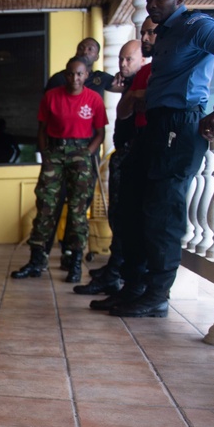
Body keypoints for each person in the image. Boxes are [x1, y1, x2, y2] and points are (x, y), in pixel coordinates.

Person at [107, 0, 214, 318]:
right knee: (131, 206)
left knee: (162, 213)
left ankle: (157, 294)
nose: (153, 5)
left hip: (181, 126)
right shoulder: (166, 34)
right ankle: (134, 287)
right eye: (150, 0)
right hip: (156, 127)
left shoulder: (197, 25)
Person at [11, 57, 107, 283]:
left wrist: (88, 152)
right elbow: (42, 130)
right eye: (71, 74)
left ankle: (74, 262)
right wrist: (45, 155)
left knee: (77, 209)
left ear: (86, 76)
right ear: (65, 75)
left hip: (81, 153)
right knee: (45, 205)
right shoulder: (51, 97)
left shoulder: (94, 99)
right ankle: (36, 261)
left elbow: (100, 133)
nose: (75, 78)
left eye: (80, 74)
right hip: (55, 152)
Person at [75, 25, 154, 296]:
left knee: (125, 218)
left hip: (136, 157)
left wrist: (130, 94)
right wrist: (126, 93)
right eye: (120, 58)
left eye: (128, 59)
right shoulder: (129, 85)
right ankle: (115, 269)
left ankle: (116, 273)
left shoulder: (145, 80)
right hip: (124, 157)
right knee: (118, 216)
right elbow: (121, 114)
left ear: (143, 60)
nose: (122, 63)